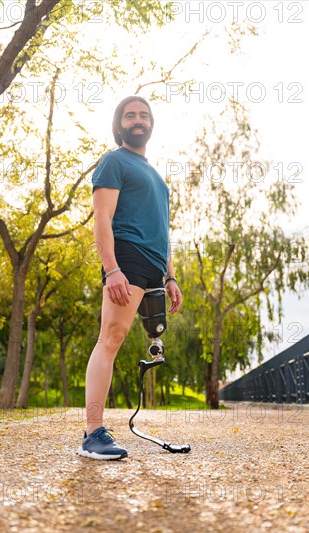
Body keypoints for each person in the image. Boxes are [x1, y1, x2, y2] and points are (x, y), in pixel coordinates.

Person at [77, 96, 182, 460]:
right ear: (119, 123)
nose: (138, 120)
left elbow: (162, 229)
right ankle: (92, 434)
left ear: (151, 124)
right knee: (111, 338)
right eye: (130, 115)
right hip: (128, 257)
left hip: (154, 266)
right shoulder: (114, 161)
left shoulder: (156, 176)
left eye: (144, 115)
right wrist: (112, 269)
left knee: (127, 340)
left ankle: (95, 431)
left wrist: (170, 276)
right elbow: (102, 218)